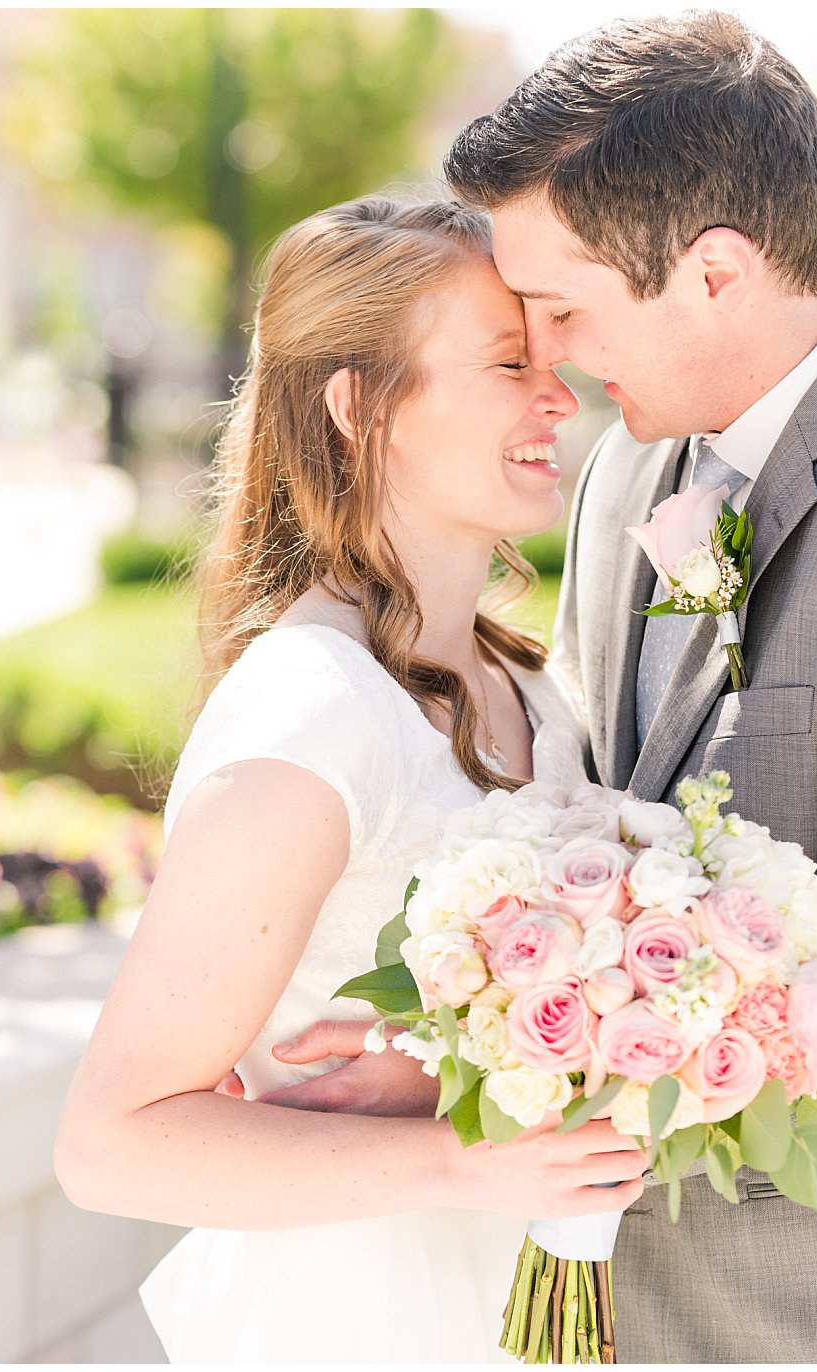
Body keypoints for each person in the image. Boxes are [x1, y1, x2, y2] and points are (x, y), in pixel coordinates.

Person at [264, 11, 817, 1362]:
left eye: (564, 307)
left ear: (714, 273)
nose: (545, 357)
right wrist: (460, 1061)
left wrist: (526, 1087)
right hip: (658, 1309)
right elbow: (600, 836)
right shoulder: (631, 477)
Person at [51, 196, 648, 1363]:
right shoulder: (309, 716)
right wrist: (456, 1155)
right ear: (361, 404)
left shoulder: (528, 690)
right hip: (360, 1317)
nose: (556, 397)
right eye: (506, 363)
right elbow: (109, 1143)